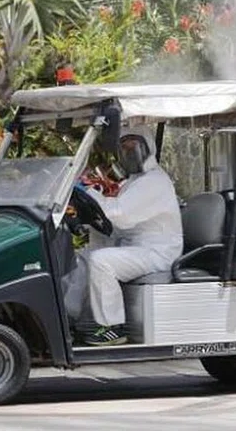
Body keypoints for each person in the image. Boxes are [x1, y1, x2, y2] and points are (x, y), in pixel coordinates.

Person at [80, 127, 183, 345]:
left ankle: (112, 327)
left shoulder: (154, 182)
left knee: (101, 262)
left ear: (147, 149)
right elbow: (116, 219)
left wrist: (88, 193)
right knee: (82, 256)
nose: (128, 152)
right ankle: (75, 319)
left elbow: (120, 214)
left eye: (133, 146)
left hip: (157, 252)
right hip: (137, 246)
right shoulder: (134, 181)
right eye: (123, 147)